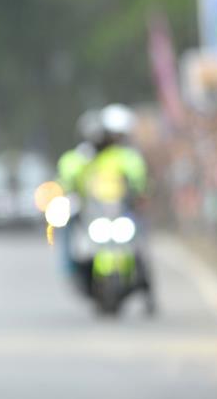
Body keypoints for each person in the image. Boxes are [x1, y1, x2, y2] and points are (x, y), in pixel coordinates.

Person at [57, 103, 156, 312]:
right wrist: (67, 191)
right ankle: (70, 270)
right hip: (92, 213)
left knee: (140, 243)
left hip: (119, 211)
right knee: (68, 232)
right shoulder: (82, 157)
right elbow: (67, 173)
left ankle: (147, 290)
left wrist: (140, 193)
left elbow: (137, 175)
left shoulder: (122, 156)